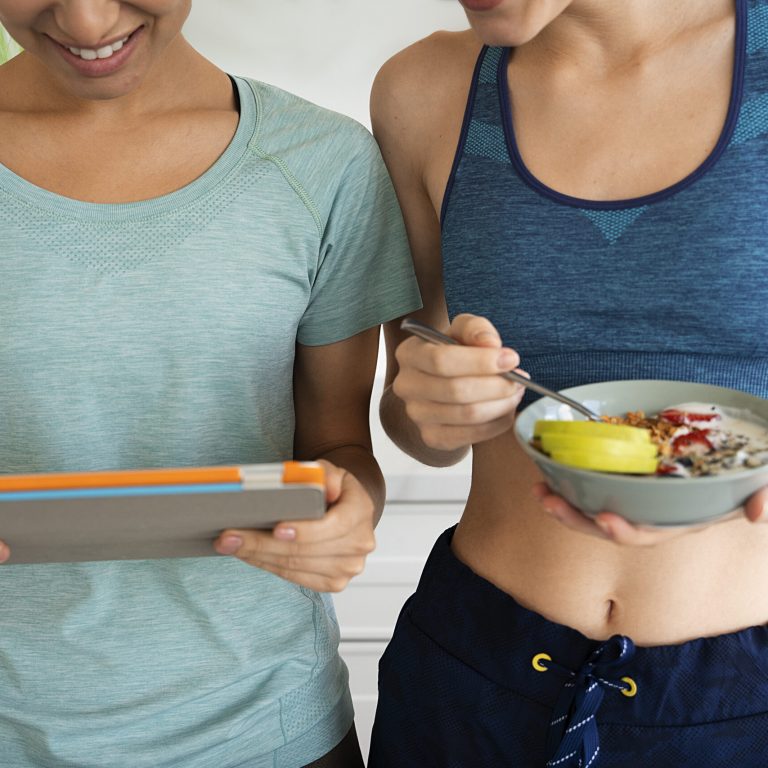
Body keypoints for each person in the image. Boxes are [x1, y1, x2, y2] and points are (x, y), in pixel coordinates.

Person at [0, 2, 420, 766]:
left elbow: (338, 446)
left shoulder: (323, 164)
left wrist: (350, 510)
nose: (88, 21)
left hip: (268, 728)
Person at [367, 0, 768, 765]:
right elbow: (413, 420)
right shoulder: (423, 89)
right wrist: (434, 403)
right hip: (471, 680)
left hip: (743, 708)